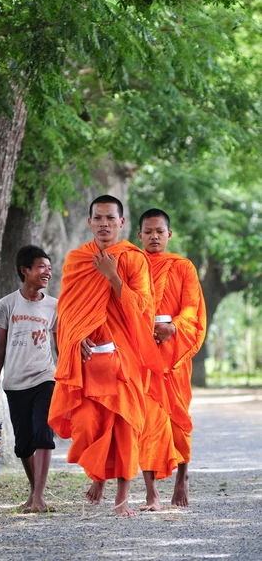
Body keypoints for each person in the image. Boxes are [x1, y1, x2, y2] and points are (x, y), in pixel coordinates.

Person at [48, 195, 167, 516]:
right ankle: (98, 475)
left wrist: (113, 276)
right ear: (89, 222)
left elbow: (144, 308)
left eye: (110, 219)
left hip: (125, 355)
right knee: (89, 422)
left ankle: (122, 499)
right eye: (98, 218)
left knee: (125, 423)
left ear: (121, 223)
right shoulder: (75, 259)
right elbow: (67, 311)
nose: (104, 224)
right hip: (90, 356)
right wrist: (75, 337)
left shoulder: (133, 258)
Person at [138, 208, 206, 509]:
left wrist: (173, 327)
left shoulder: (183, 266)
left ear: (169, 235)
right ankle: (151, 491)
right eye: (148, 231)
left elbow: (192, 306)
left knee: (179, 419)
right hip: (142, 351)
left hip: (174, 353)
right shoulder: (132, 264)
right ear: (139, 235)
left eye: (159, 232)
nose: (154, 236)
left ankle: (182, 477)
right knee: (148, 422)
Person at [0, 245, 58, 513]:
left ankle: (39, 496)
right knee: (24, 443)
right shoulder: (8, 303)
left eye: (49, 267)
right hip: (14, 382)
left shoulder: (53, 306)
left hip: (45, 377)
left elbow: (61, 345)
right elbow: (0, 348)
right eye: (41, 267)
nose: (47, 272)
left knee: (43, 432)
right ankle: (33, 491)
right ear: (25, 270)